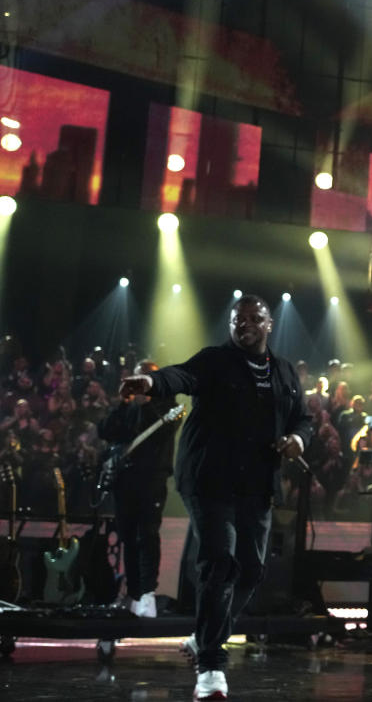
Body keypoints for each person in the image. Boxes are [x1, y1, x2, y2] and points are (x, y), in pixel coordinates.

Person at [119, 294, 312, 702]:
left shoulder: (284, 372)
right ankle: (210, 665)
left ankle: (202, 637)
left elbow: (303, 419)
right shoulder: (215, 360)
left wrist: (297, 439)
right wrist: (152, 383)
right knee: (220, 560)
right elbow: (181, 377)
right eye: (236, 319)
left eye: (252, 319)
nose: (243, 325)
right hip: (210, 480)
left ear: (269, 325)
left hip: (257, 484)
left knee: (252, 570)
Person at [98, 359, 179, 618]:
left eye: (145, 378)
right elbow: (107, 431)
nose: (140, 384)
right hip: (125, 481)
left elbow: (160, 433)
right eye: (136, 378)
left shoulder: (168, 406)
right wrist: (122, 402)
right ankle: (133, 592)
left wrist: (147, 405)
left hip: (151, 479)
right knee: (128, 537)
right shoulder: (128, 406)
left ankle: (147, 592)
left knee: (147, 534)